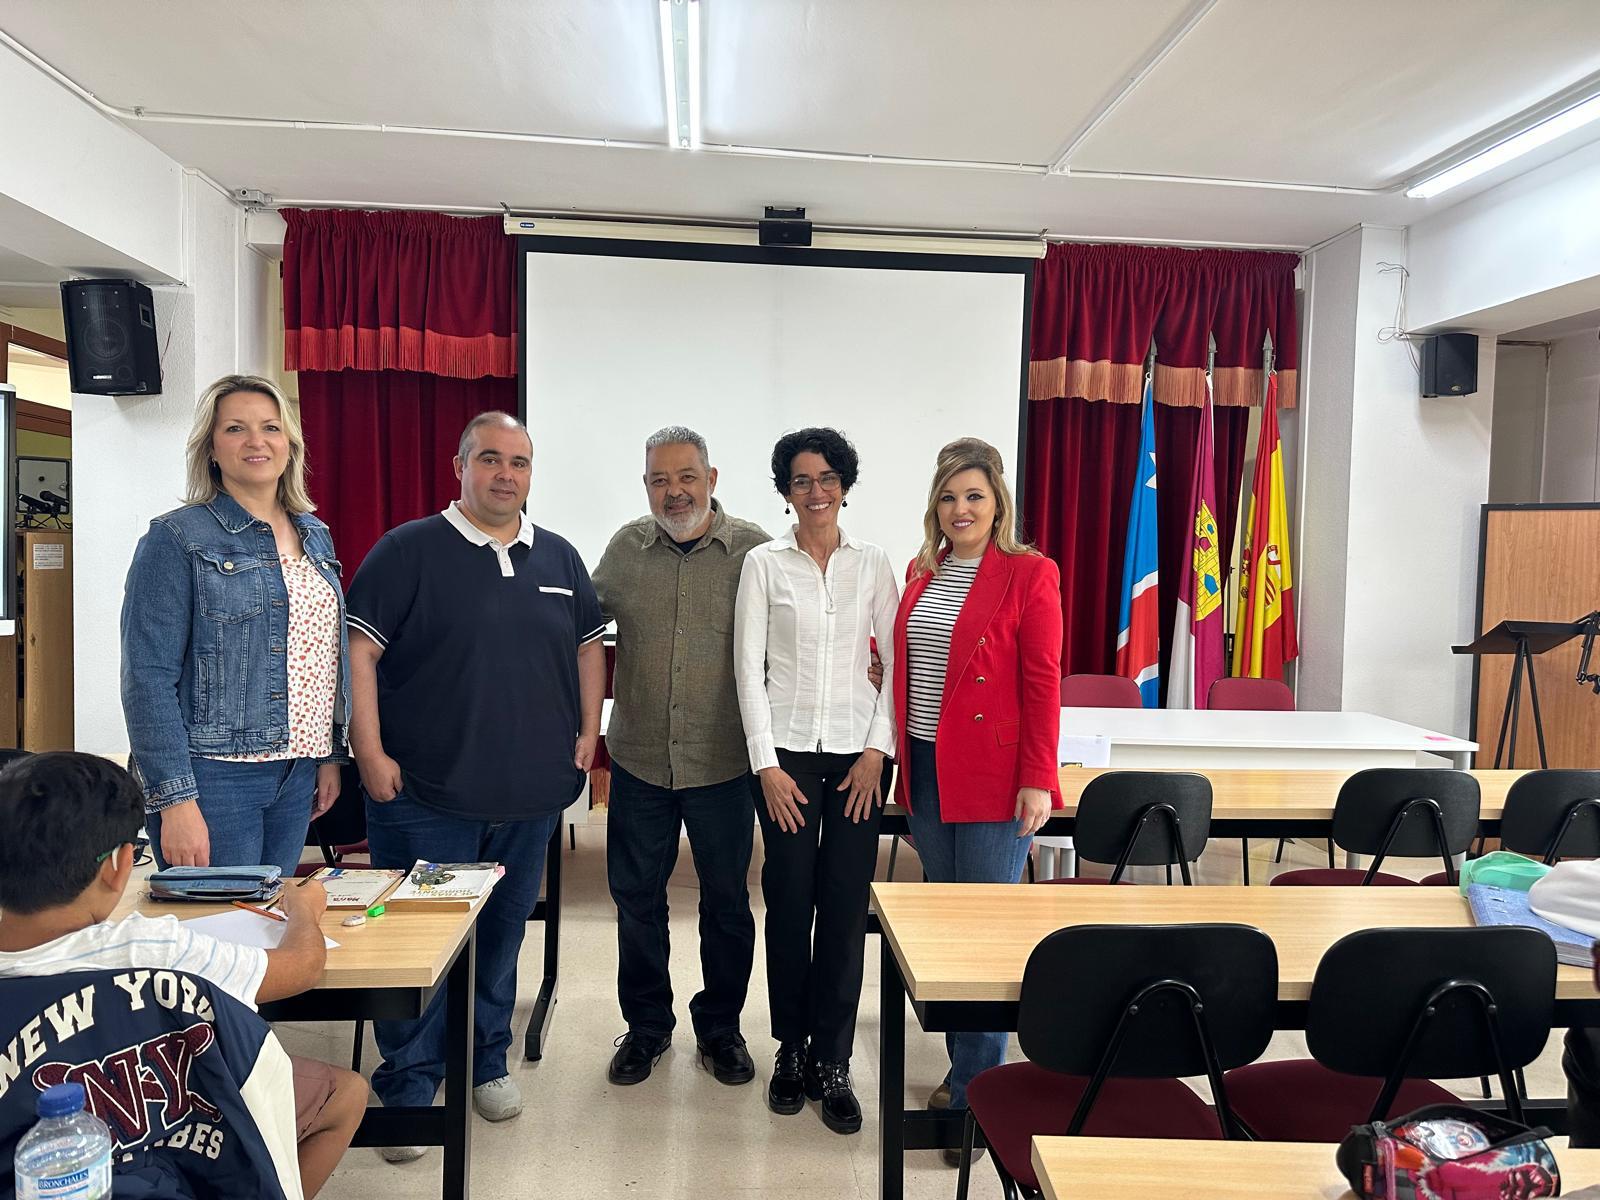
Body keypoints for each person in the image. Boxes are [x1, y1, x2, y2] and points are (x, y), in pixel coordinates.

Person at [346, 412, 605, 1161]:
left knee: (499, 938)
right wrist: (368, 748)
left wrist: (589, 732)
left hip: (528, 798)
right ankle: (410, 1081)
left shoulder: (557, 554)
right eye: (490, 459)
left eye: (519, 462)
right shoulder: (407, 550)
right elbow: (360, 651)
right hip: (425, 794)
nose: (505, 475)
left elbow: (590, 649)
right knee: (416, 944)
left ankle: (486, 1062)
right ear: (460, 466)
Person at [0, 752, 365, 1199]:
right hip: (174, 1139)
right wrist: (304, 912)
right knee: (346, 1092)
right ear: (117, 868)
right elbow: (302, 968)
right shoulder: (151, 948)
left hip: (46, 1168)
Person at [890, 436, 1063, 1165]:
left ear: (998, 506)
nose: (961, 509)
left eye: (975, 497)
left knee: (982, 928)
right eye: (950, 496)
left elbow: (1042, 679)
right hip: (927, 767)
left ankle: (973, 1098)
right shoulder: (921, 570)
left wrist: (1038, 775)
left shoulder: (1030, 572)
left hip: (994, 775)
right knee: (950, 923)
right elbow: (915, 657)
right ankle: (970, 1070)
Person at [592, 426, 769, 1088]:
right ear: (646, 487)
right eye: (660, 480)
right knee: (637, 901)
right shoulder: (624, 551)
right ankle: (647, 1028)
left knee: (726, 903)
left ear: (712, 478)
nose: (674, 491)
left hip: (724, 765)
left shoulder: (755, 551)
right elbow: (577, 625)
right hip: (639, 761)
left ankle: (721, 1028)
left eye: (686, 477)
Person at [733, 428, 898, 1133]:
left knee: (842, 908)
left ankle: (834, 1058)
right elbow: (746, 668)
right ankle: (790, 1049)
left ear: (845, 485)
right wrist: (765, 764)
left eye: (828, 478)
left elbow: (898, 664)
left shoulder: (875, 564)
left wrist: (877, 750)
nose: (816, 491)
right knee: (789, 899)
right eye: (802, 480)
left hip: (859, 759)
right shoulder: (764, 565)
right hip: (788, 761)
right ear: (785, 491)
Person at [121, 374, 349, 876]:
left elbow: (324, 658)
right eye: (235, 428)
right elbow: (147, 679)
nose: (256, 441)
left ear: (289, 445)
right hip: (215, 776)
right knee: (220, 935)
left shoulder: (316, 536)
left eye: (270, 427)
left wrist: (328, 754)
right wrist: (175, 800)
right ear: (211, 448)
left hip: (298, 771)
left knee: (266, 933)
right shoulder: (176, 538)